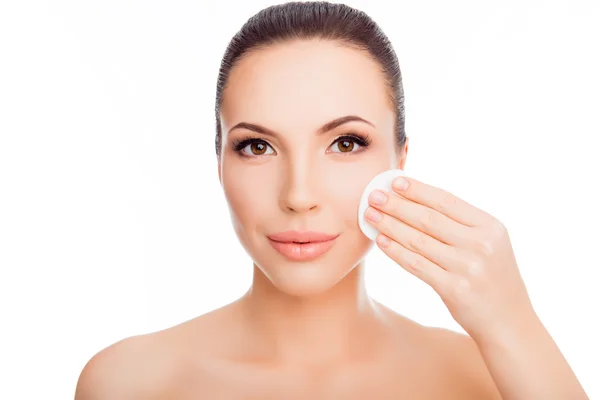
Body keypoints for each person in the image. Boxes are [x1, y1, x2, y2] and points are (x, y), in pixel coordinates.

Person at [75, 2, 589, 399]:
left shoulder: (491, 377)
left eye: (346, 143)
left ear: (399, 160)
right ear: (219, 161)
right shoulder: (127, 382)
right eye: (257, 146)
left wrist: (514, 325)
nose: (299, 195)